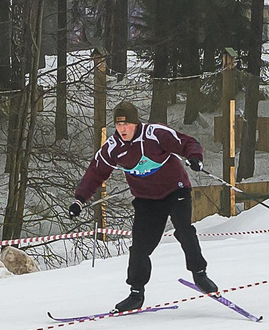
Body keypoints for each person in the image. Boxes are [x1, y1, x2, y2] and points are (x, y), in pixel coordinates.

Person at [67, 101, 216, 313]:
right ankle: (136, 293)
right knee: (139, 247)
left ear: (136, 124)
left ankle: (200, 273)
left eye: (127, 124)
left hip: (175, 190)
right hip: (147, 200)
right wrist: (79, 200)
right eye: (118, 125)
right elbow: (95, 172)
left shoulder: (155, 134)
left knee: (184, 229)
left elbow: (186, 142)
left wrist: (194, 157)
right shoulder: (113, 148)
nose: (122, 129)